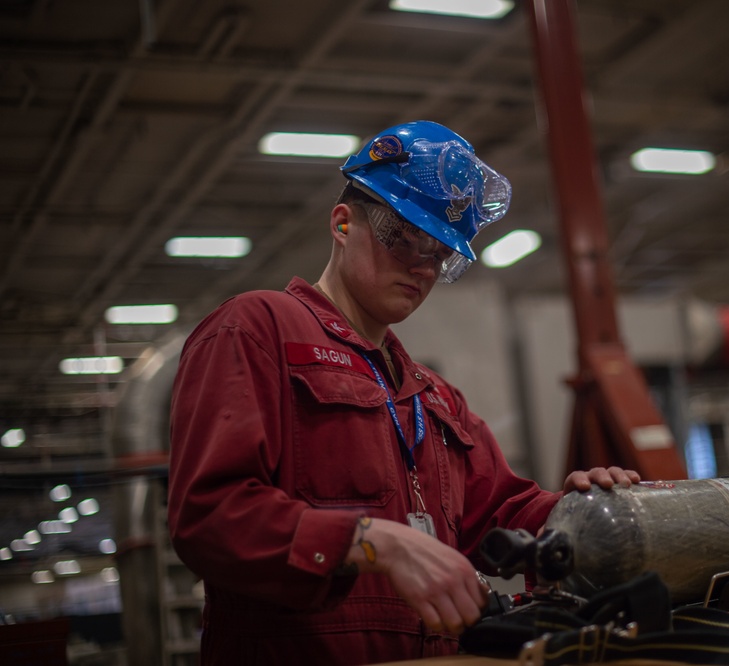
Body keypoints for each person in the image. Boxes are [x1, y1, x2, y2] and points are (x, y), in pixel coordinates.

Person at [167, 120, 640, 664]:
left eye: (439, 254)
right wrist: (372, 542)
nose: (422, 268)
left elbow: (505, 509)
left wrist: (580, 510)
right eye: (405, 238)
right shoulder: (257, 330)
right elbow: (210, 517)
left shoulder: (433, 396)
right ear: (343, 223)